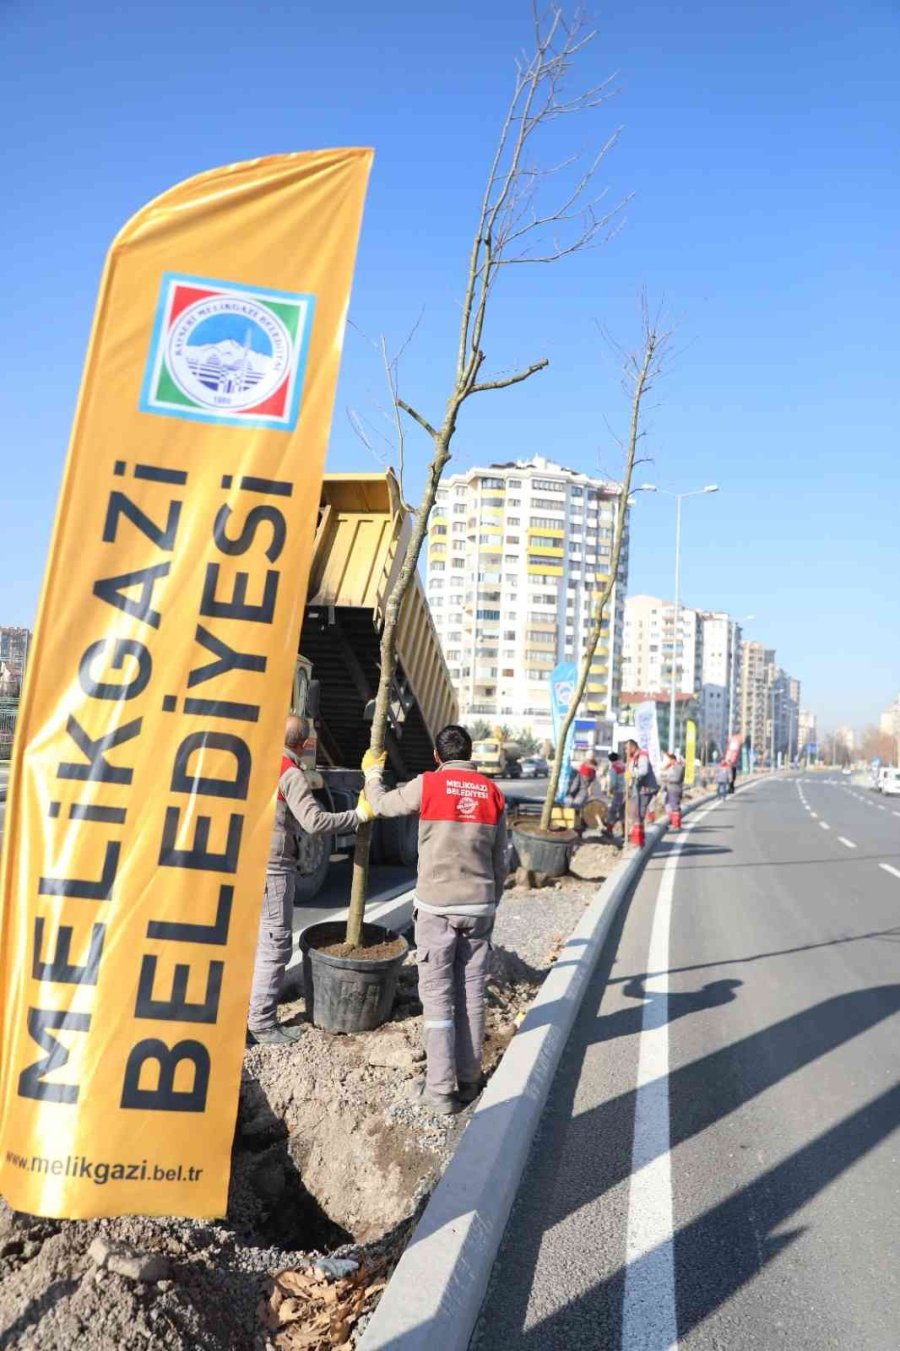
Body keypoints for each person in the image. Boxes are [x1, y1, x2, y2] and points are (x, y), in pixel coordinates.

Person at [363, 724, 507, 1115]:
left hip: (437, 910)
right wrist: (490, 902)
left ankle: (441, 1090)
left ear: (437, 756)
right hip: (479, 909)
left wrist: (372, 775)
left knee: (440, 999)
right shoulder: (493, 793)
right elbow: (500, 861)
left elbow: (382, 806)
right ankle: (470, 1077)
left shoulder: (428, 785)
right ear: (471, 753)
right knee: (472, 993)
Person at [248, 714, 376, 1046]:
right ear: (306, 744)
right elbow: (315, 821)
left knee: (250, 943)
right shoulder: (289, 774)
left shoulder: (252, 761)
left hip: (242, 864)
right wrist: (358, 815)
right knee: (275, 945)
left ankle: (242, 1011)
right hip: (272, 867)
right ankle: (261, 1023)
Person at [625, 738, 658, 833]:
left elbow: (643, 771)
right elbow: (631, 771)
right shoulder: (633, 758)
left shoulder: (642, 756)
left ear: (632, 747)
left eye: (627, 748)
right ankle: (636, 833)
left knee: (639, 811)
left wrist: (631, 773)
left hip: (646, 788)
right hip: (639, 788)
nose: (626, 751)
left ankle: (638, 836)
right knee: (635, 810)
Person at [605, 750, 627, 839]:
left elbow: (613, 783)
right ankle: (624, 833)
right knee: (622, 813)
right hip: (626, 792)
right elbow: (629, 778)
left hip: (618, 792)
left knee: (612, 812)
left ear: (610, 760)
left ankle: (609, 830)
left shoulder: (613, 768)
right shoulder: (625, 766)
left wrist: (610, 790)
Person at [662, 751, 685, 817]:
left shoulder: (678, 767)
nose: (668, 761)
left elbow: (676, 778)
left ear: (673, 759)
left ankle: (676, 824)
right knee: (668, 805)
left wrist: (667, 779)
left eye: (669, 760)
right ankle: (671, 820)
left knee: (674, 806)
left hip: (675, 788)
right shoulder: (671, 767)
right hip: (669, 788)